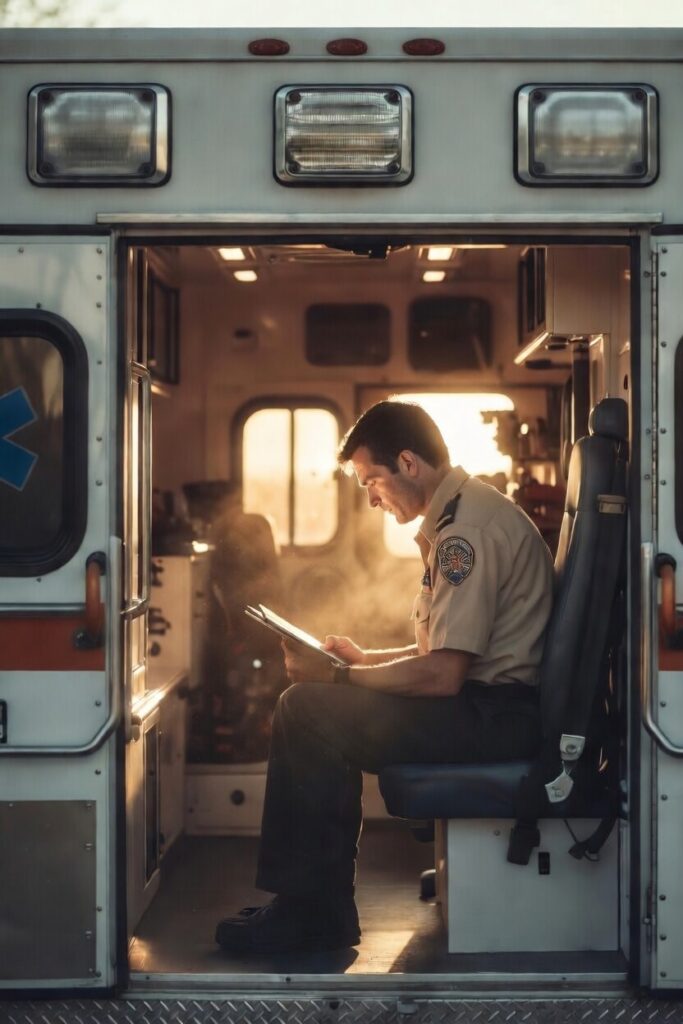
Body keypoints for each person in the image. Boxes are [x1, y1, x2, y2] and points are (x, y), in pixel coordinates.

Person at [215, 400, 554, 955]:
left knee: (306, 710)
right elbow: (445, 651)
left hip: (495, 718)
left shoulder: (464, 535)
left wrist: (340, 677)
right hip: (483, 705)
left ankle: (312, 913)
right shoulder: (460, 517)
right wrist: (364, 659)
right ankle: (312, 904)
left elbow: (443, 675)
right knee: (313, 704)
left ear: (408, 463)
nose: (372, 499)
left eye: (373, 481)